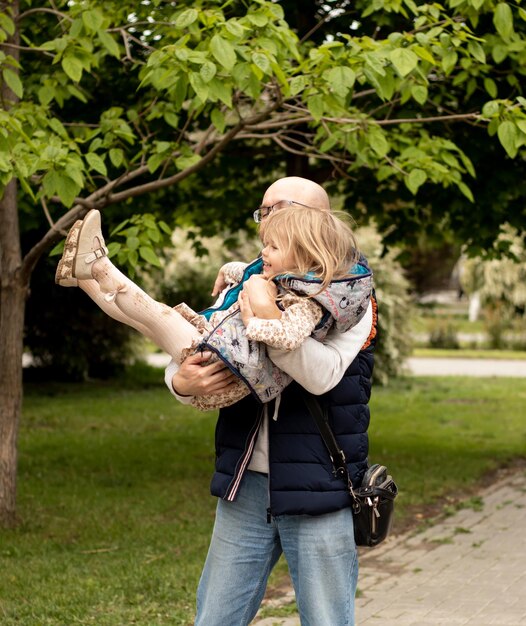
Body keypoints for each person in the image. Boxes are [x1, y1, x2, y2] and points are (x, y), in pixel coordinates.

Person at [166, 176, 377, 626]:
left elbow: (320, 376)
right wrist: (181, 382)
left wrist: (265, 313)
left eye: (282, 207)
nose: (269, 218)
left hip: (319, 488)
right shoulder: (251, 280)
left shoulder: (350, 297)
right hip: (245, 486)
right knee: (214, 619)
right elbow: (199, 344)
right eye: (264, 210)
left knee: (327, 620)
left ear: (318, 222)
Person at [54, 202, 372, 413]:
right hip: (217, 362)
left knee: (158, 314)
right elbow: (251, 271)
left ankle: (99, 266)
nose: (264, 251)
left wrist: (254, 319)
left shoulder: (316, 299)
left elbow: (289, 338)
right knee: (144, 321)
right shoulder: (284, 276)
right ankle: (82, 277)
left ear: (305, 253)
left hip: (226, 374)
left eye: (273, 245)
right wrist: (230, 269)